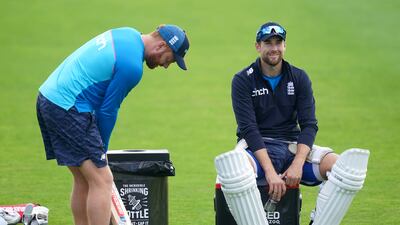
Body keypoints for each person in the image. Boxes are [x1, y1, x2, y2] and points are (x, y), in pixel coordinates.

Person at [36, 24, 189, 225]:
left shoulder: (127, 33)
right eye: (169, 59)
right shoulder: (132, 67)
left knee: (85, 180)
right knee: (102, 180)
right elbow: (107, 111)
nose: (166, 65)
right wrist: (102, 152)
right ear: (161, 46)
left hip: (48, 98)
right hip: (68, 106)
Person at [231, 21, 338, 223]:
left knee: (342, 168)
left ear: (284, 46)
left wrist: (298, 163)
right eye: (268, 43)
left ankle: (319, 220)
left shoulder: (299, 77)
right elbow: (248, 129)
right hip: (256, 149)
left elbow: (309, 125)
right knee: (234, 169)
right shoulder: (242, 79)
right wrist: (270, 172)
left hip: (291, 148)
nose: (274, 48)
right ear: (258, 46)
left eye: (278, 43)